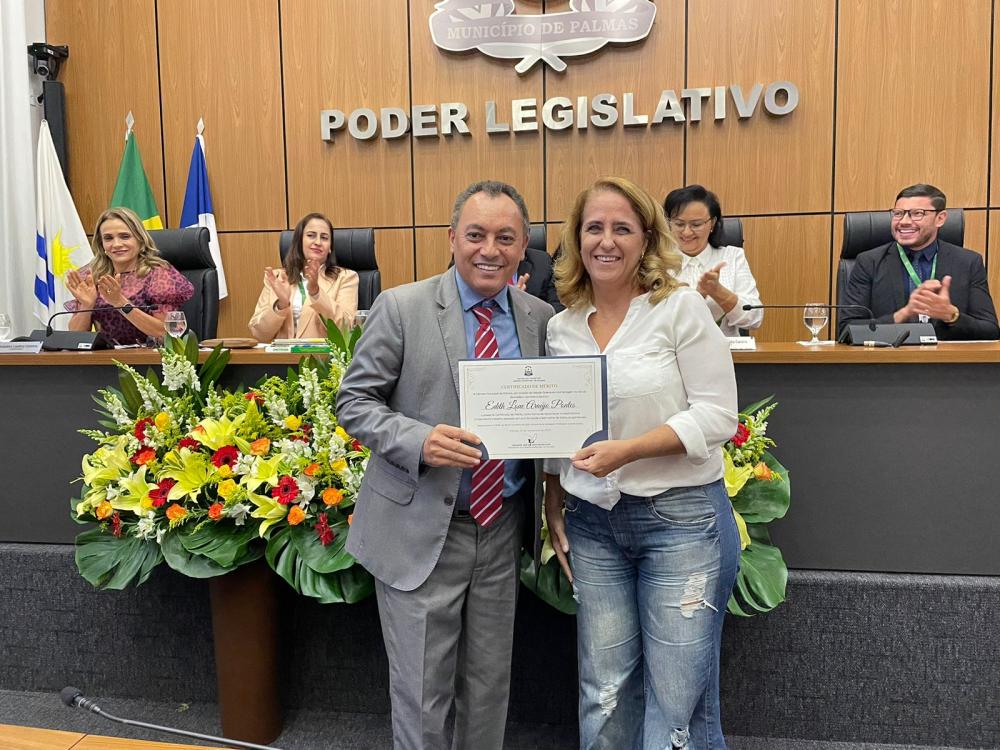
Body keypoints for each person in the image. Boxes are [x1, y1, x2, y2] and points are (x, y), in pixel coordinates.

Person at [337, 180, 554, 750]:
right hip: (423, 529)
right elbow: (354, 402)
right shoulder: (403, 307)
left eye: (505, 238)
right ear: (452, 237)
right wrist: (419, 439)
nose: (490, 250)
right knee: (423, 695)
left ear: (524, 244)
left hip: (501, 529)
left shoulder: (539, 318)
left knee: (487, 690)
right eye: (476, 235)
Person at [544, 176, 740, 749]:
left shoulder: (678, 308)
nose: (607, 241)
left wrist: (629, 450)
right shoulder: (561, 326)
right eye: (594, 228)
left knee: (676, 702)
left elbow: (718, 416)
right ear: (577, 240)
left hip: (681, 522)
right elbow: (559, 426)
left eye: (622, 228)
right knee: (603, 691)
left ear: (647, 238)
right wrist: (553, 498)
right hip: (592, 523)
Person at [839, 184, 1000, 340]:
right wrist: (902, 314)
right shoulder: (868, 262)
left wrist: (952, 316)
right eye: (898, 213)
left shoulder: (968, 262)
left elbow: (991, 331)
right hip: (888, 363)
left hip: (947, 364)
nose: (904, 221)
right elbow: (847, 330)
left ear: (940, 218)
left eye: (917, 213)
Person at [65, 207, 193, 345]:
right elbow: (76, 337)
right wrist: (86, 305)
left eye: (125, 236)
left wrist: (120, 302)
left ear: (140, 239)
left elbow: (167, 332)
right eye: (108, 238)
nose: (117, 244)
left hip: (152, 360)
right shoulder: (93, 276)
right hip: (106, 361)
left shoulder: (159, 275)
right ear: (101, 245)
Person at [664, 184, 763, 336]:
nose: (686, 232)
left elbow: (754, 319)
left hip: (724, 355)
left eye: (696, 224)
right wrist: (697, 296)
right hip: (670, 356)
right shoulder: (659, 262)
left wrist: (718, 292)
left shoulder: (733, 257)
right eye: (679, 224)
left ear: (712, 223)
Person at [248, 212, 358, 341]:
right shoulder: (277, 278)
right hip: (282, 359)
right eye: (311, 235)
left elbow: (346, 330)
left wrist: (316, 293)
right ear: (299, 242)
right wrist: (281, 304)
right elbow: (259, 334)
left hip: (322, 360)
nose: (318, 242)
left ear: (330, 247)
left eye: (324, 238)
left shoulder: (346, 278)